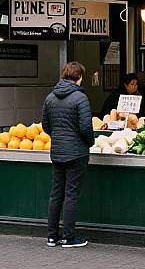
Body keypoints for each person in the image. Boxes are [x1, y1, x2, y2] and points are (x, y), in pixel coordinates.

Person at [42, 61, 94, 248]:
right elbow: (86, 127)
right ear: (79, 78)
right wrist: (90, 142)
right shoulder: (81, 98)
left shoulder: (50, 98)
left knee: (56, 193)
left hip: (57, 152)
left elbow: (46, 126)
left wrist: (58, 138)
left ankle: (52, 236)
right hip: (76, 152)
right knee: (71, 194)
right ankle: (69, 237)